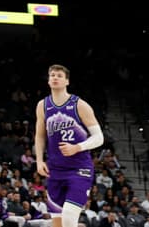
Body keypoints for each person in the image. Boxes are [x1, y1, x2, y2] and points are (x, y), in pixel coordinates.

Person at [35, 64, 105, 227]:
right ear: (48, 80)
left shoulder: (79, 105)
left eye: (59, 75)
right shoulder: (42, 106)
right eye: (52, 75)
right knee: (57, 222)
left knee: (68, 217)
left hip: (79, 169)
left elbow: (99, 137)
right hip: (55, 169)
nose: (55, 77)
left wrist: (77, 147)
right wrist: (39, 160)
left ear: (67, 81)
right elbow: (39, 135)